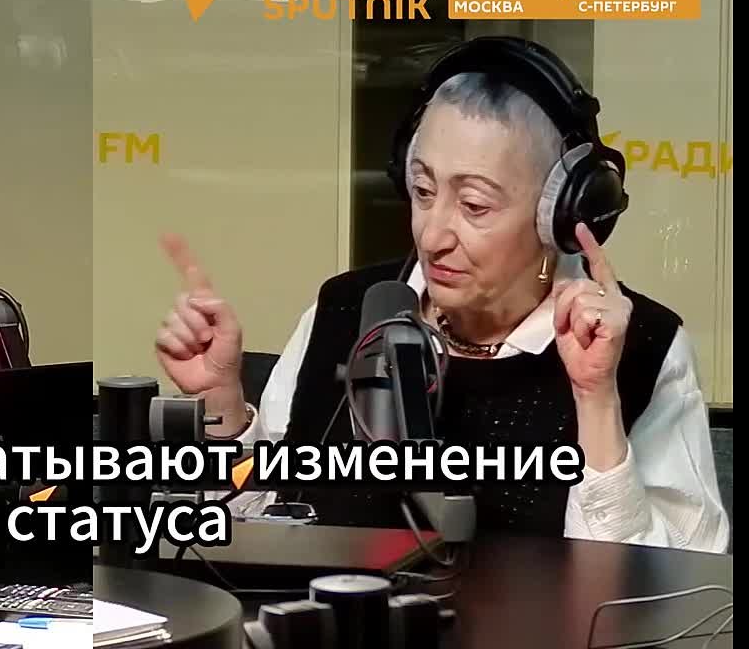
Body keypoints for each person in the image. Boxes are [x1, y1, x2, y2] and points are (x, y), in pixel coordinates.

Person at [154, 37, 729, 553]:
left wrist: (596, 401)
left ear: (558, 213)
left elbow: (681, 589)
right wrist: (221, 406)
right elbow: (253, 532)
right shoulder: (347, 309)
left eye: (474, 205)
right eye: (423, 190)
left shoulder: (643, 345)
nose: (432, 236)